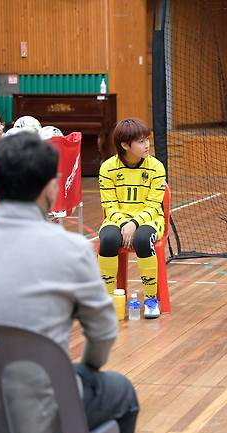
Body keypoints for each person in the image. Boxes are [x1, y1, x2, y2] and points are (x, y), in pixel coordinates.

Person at [0, 132, 138, 433]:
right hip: (40, 413)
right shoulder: (71, 250)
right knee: (120, 390)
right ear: (51, 186)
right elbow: (103, 333)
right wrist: (87, 370)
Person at [97, 117, 167, 319]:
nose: (147, 145)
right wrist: (123, 223)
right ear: (125, 145)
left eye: (147, 139)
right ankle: (109, 299)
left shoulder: (156, 167)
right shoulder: (108, 168)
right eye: (141, 141)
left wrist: (134, 224)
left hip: (149, 220)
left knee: (143, 239)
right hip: (117, 219)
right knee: (108, 239)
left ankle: (151, 300)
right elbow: (108, 205)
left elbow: (154, 206)